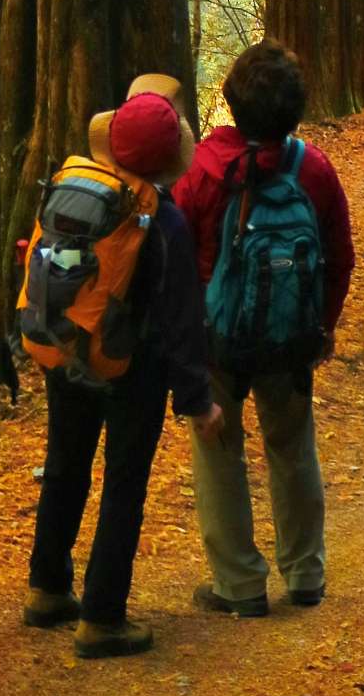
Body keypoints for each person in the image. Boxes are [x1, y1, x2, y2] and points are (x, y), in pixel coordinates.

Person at [22, 88, 220, 659]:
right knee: (123, 483)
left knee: (64, 466)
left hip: (67, 348)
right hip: (133, 370)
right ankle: (103, 617)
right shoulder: (164, 220)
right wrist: (198, 401)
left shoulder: (77, 189)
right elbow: (183, 324)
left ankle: (48, 589)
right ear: (168, 160)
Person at [175, 41, 356, 616]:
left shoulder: (204, 168)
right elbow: (339, 256)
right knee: (292, 446)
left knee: (218, 452)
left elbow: (176, 255)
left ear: (231, 100)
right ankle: (304, 574)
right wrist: (320, 327)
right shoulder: (313, 169)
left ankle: (239, 584)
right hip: (288, 339)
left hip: (217, 335)